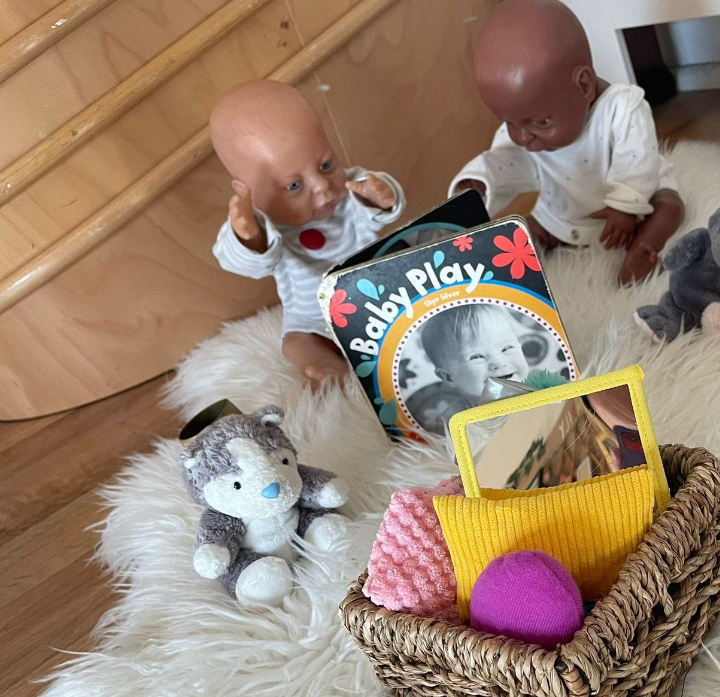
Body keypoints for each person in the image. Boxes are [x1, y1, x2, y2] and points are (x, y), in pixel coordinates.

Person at [450, 0, 684, 286]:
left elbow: (636, 162)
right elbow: (506, 159)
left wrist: (625, 208)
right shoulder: (527, 126)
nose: (523, 137)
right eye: (510, 123)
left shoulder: (623, 107)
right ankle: (509, 275)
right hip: (563, 213)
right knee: (526, 230)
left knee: (669, 205)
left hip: (636, 205)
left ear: (584, 86)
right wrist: (480, 182)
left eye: (541, 123)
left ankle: (641, 249)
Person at [209, 80, 406, 389]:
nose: (322, 186)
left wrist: (379, 195)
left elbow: (382, 210)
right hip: (316, 320)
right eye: (294, 185)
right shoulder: (265, 228)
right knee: (297, 343)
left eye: (326, 164)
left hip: (382, 298)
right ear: (249, 192)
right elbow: (246, 263)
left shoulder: (351, 192)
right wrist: (249, 237)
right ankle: (327, 367)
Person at [412, 304, 531, 430]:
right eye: (476, 357)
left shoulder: (540, 388)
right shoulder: (456, 421)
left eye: (507, 348)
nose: (499, 362)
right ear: (448, 377)